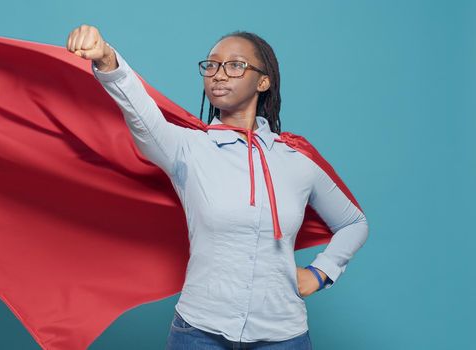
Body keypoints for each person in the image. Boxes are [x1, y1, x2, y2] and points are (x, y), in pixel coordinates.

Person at [66, 25, 369, 350]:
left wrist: (320, 272)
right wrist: (108, 59)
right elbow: (139, 112)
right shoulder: (186, 148)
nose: (218, 74)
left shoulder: (297, 160)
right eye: (211, 65)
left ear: (263, 82)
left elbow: (353, 223)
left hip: (283, 337)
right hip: (198, 333)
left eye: (235, 65)